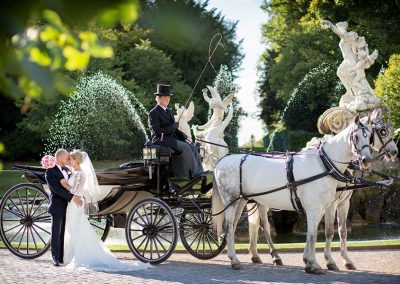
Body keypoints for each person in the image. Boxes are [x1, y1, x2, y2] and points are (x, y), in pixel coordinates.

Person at [60, 149, 152, 271]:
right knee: (74, 227)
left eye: (70, 159)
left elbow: (74, 191)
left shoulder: (78, 174)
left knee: (76, 227)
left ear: (76, 160)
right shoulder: (77, 172)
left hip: (75, 202)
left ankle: (79, 255)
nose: (68, 162)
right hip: (75, 203)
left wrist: (63, 184)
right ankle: (72, 254)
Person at [148, 84, 204, 178]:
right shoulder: (153, 113)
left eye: (168, 97)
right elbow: (156, 131)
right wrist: (172, 128)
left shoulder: (169, 111)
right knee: (185, 147)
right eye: (165, 97)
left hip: (172, 138)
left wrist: (182, 135)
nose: (167, 99)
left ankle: (200, 171)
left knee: (193, 147)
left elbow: (175, 129)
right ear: (158, 98)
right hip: (161, 139)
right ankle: (196, 172)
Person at [45, 149, 83, 267]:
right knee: (56, 232)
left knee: (64, 233)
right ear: (61, 158)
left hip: (70, 207)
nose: (68, 159)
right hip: (58, 206)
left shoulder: (67, 170)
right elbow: (56, 190)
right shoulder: (50, 172)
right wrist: (72, 197)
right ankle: (55, 258)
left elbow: (74, 184)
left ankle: (62, 256)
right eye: (67, 157)